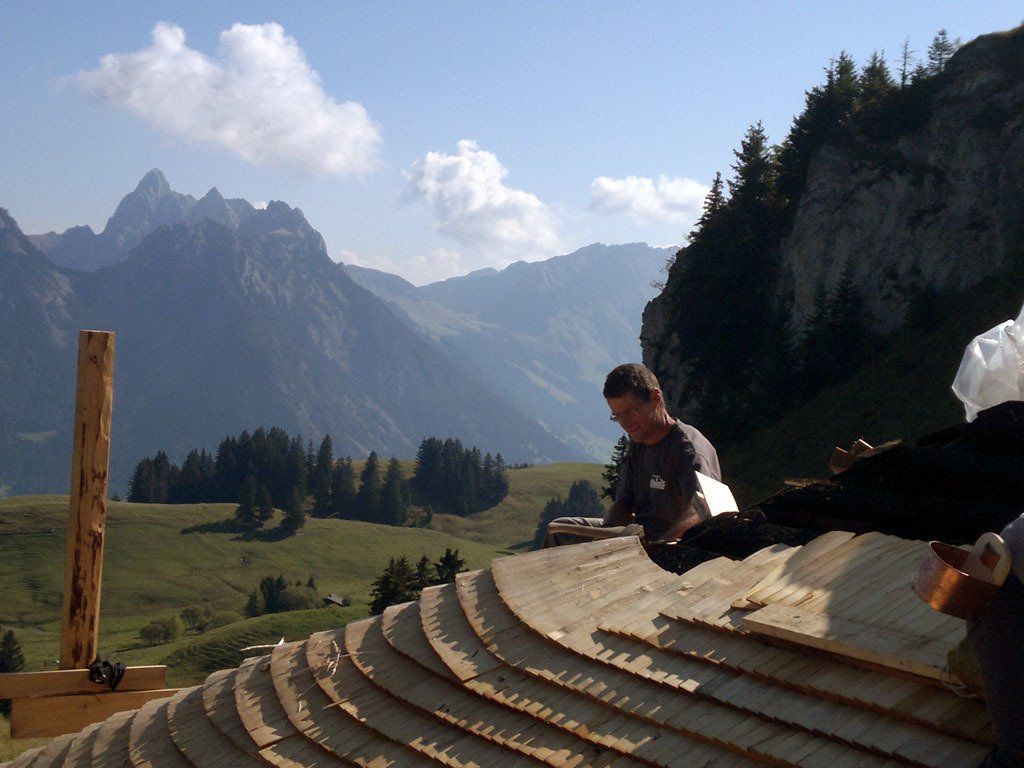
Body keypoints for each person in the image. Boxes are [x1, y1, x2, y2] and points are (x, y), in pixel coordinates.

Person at [546, 363, 720, 547]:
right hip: (638, 535)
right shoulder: (640, 443)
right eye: (617, 416)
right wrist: (605, 536)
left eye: (630, 412)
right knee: (561, 529)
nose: (625, 423)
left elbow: (701, 510)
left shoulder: (688, 450)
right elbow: (623, 504)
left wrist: (661, 544)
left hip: (674, 545)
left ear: (655, 398)